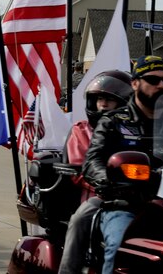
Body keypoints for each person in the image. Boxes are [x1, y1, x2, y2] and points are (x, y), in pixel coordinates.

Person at [82, 55, 163, 274]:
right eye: (153, 80)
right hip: (129, 207)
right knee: (120, 246)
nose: (162, 86)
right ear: (135, 83)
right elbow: (93, 162)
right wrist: (112, 177)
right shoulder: (113, 122)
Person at [58, 70, 133, 274]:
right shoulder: (81, 130)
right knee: (79, 219)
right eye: (100, 98)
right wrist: (111, 182)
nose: (103, 104)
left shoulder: (133, 129)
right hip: (99, 196)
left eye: (110, 99)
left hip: (138, 196)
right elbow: (81, 167)